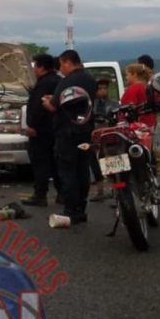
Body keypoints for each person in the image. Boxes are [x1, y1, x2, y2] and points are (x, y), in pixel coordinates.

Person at [41, 50, 98, 224]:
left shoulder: (67, 81)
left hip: (67, 132)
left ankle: (71, 209)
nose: (60, 69)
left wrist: (46, 101)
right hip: (85, 130)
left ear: (67, 62)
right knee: (82, 170)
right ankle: (81, 208)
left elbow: (54, 106)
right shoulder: (90, 80)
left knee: (67, 172)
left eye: (61, 65)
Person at [22, 54, 62, 207]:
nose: (33, 69)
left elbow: (39, 107)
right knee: (55, 162)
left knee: (40, 162)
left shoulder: (44, 83)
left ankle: (40, 195)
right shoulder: (57, 80)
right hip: (54, 129)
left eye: (35, 66)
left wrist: (32, 125)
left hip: (42, 130)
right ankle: (62, 194)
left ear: (41, 67)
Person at [87, 79, 113, 202]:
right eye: (100, 88)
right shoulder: (91, 105)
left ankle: (117, 191)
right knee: (95, 164)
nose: (103, 91)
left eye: (105, 88)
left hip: (110, 137)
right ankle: (100, 190)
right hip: (95, 137)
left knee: (112, 163)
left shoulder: (114, 104)